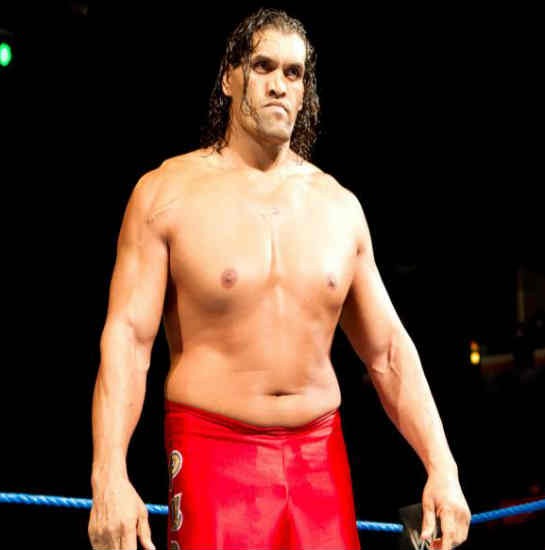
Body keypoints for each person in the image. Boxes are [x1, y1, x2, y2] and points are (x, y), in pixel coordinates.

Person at [88, 7, 470, 550]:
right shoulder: (166, 194)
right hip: (214, 450)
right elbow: (128, 340)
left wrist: (442, 466)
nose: (278, 85)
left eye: (293, 73)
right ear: (229, 78)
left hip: (320, 458)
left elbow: (387, 350)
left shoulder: (339, 207)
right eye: (263, 66)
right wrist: (109, 474)